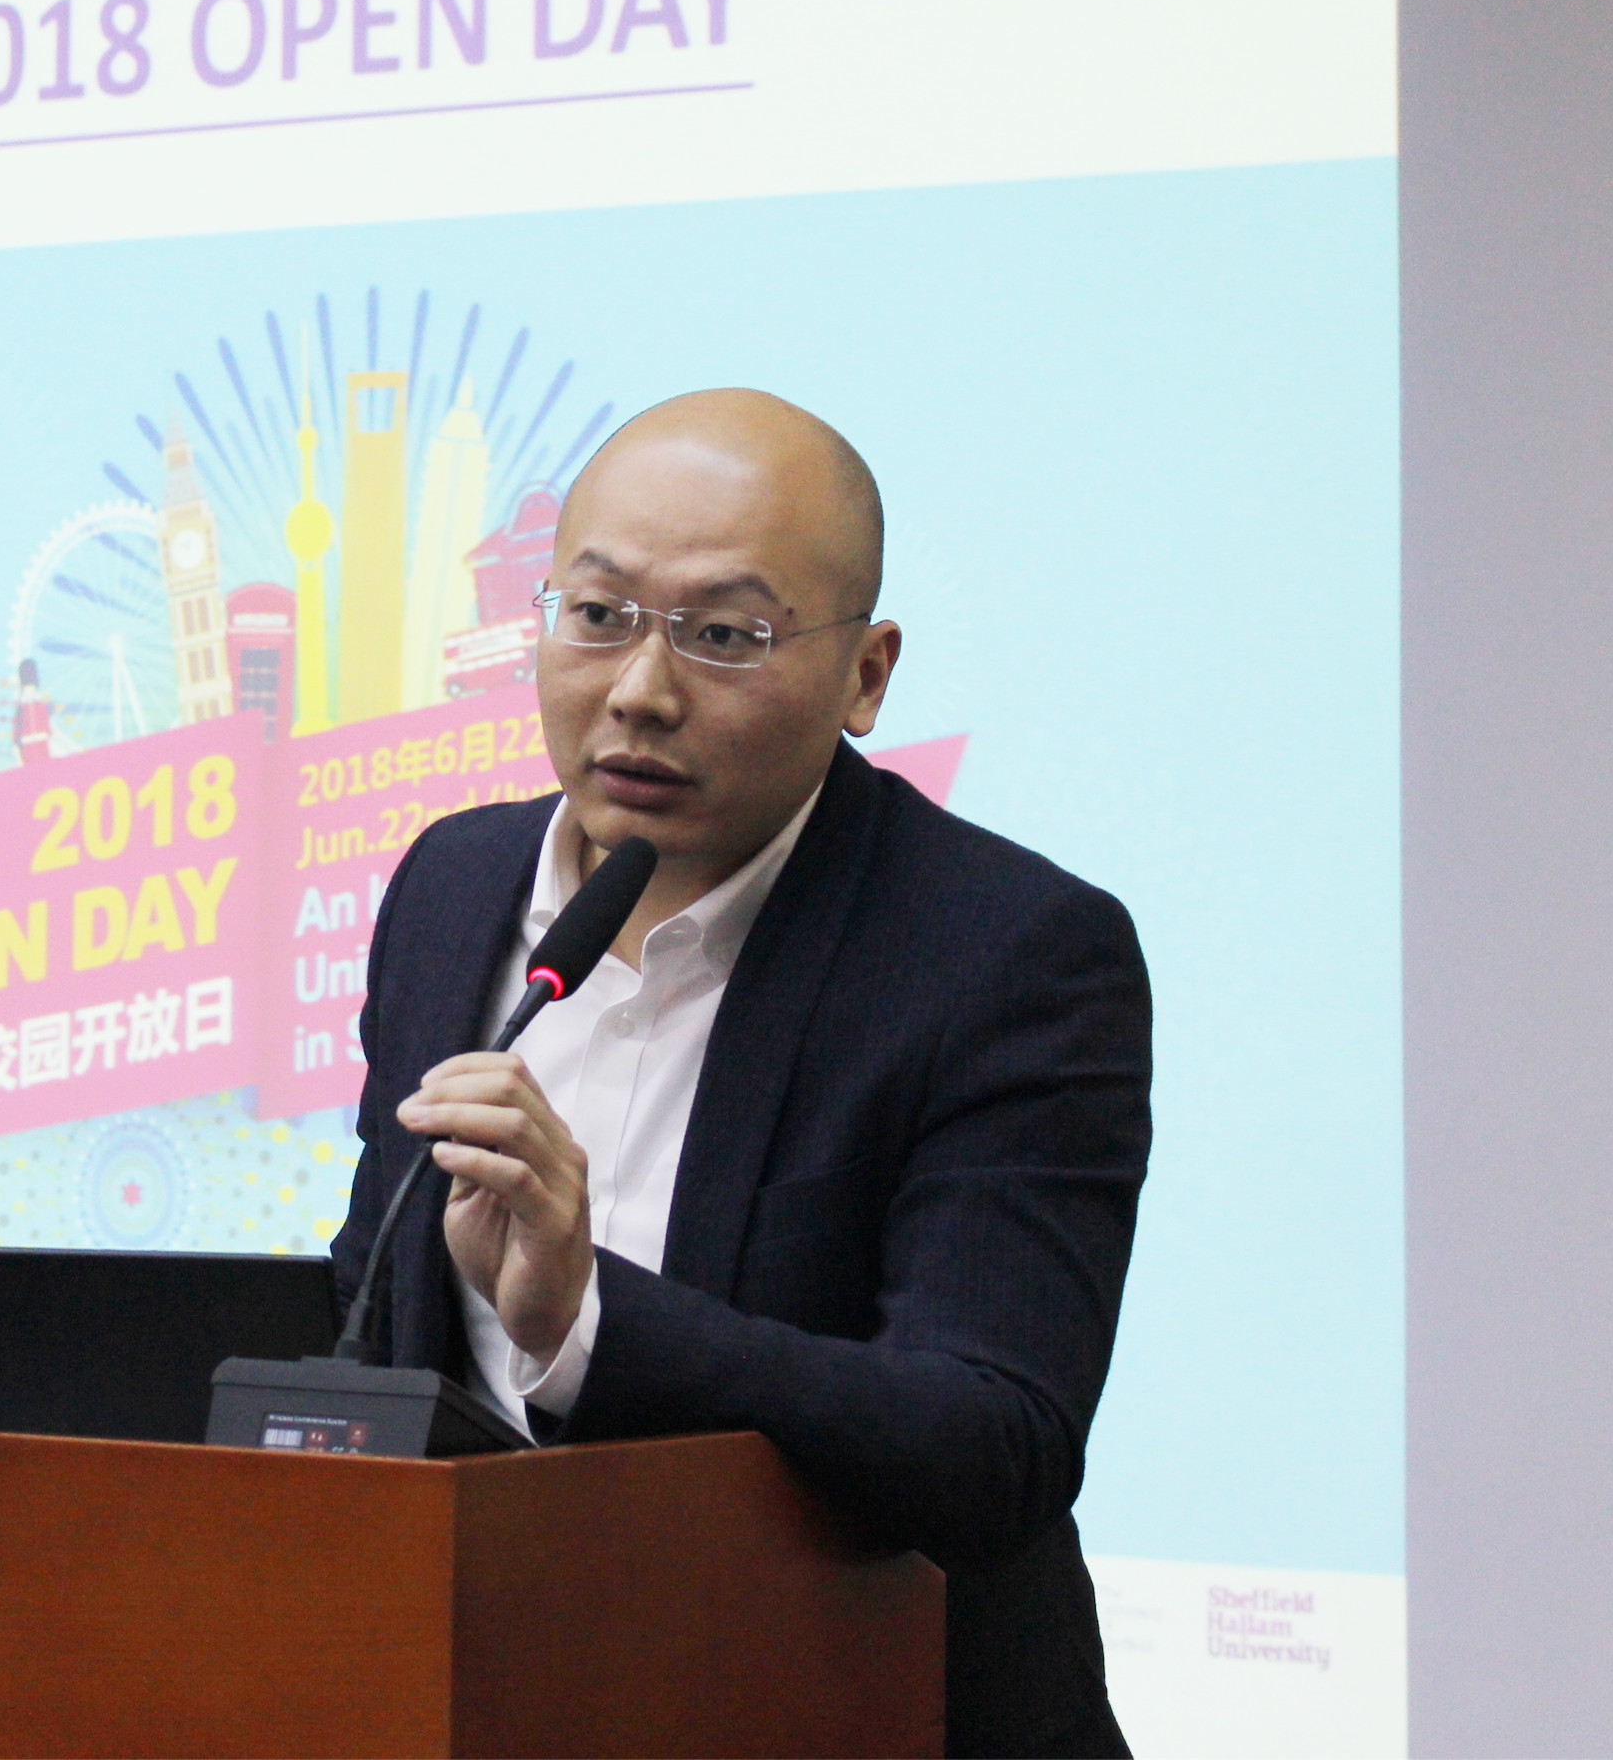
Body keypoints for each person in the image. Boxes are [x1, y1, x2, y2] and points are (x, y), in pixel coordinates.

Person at [330, 388, 1152, 1759]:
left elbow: (990, 1442)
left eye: (724, 636)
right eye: (599, 615)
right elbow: (379, 1301)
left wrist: (586, 1316)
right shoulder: (452, 887)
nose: (640, 693)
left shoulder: (1009, 956)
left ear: (867, 675)